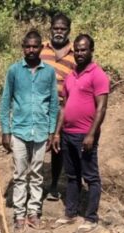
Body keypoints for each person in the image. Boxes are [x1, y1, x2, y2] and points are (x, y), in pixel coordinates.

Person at [0, 30, 59, 232]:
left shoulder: (49, 72)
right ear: (23, 47)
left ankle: (33, 211)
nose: (31, 50)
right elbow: (5, 101)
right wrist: (5, 131)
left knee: (37, 173)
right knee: (19, 173)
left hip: (41, 131)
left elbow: (53, 103)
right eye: (28, 46)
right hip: (19, 131)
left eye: (35, 46)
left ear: (41, 48)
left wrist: (52, 132)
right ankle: (19, 214)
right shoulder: (14, 71)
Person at [54, 34, 109, 233]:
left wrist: (91, 134)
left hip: (84, 135)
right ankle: (70, 213)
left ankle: (91, 218)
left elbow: (102, 107)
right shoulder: (70, 75)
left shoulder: (98, 75)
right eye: (77, 49)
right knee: (71, 176)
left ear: (91, 50)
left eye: (83, 49)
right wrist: (57, 133)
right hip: (67, 134)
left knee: (91, 177)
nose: (79, 53)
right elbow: (64, 106)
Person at [40, 12, 76, 202]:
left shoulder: (75, 54)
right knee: (35, 143)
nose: (59, 32)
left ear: (68, 30)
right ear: (51, 28)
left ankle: (54, 184)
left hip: (63, 107)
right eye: (56, 28)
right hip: (39, 107)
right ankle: (34, 184)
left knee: (58, 146)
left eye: (63, 29)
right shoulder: (41, 49)